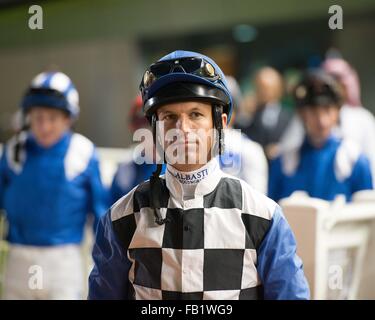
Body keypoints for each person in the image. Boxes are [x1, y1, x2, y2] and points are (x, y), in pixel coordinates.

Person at [88, 50, 309, 300]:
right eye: (170, 117)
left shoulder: (264, 217)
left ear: (221, 123)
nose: (182, 129)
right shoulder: (120, 218)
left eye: (195, 114)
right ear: (154, 130)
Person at [0, 71, 108, 299]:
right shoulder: (13, 152)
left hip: (63, 262)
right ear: (28, 115)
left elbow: (100, 215)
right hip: (18, 259)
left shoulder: (83, 152)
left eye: (53, 118)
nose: (45, 126)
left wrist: (103, 263)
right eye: (38, 117)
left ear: (68, 118)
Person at [268, 70, 373, 203]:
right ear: (302, 114)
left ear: (337, 112)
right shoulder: (284, 162)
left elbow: (366, 216)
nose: (321, 120)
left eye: (327, 109)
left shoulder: (354, 160)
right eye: (313, 112)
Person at [110, 95, 166, 204]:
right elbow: (111, 209)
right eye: (143, 124)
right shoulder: (126, 168)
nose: (151, 131)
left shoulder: (181, 165)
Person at [220, 76, 268, 194]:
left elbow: (257, 202)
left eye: (225, 108)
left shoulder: (250, 148)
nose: (219, 113)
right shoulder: (192, 145)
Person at [237, 67, 292, 160]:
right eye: (259, 87)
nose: (263, 92)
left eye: (267, 88)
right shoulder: (249, 116)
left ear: (278, 88)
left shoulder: (289, 117)